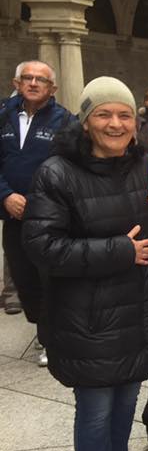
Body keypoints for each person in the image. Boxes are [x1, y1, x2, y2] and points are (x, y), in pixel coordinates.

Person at [22, 77, 148, 451]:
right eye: (104, 114)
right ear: (86, 121)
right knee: (95, 412)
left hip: (135, 311)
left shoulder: (144, 166)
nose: (115, 123)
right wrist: (119, 251)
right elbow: (42, 246)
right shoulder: (56, 173)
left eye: (124, 114)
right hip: (86, 318)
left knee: (124, 406)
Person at [0, 60, 75, 367]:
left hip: (48, 218)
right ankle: (42, 325)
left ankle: (50, 337)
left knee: (49, 279)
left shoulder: (65, 121)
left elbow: (70, 168)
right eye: (27, 78)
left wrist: (40, 201)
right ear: (17, 84)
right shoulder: (3, 115)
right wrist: (5, 195)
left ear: (52, 88)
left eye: (40, 79)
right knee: (24, 279)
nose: (33, 83)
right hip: (13, 216)